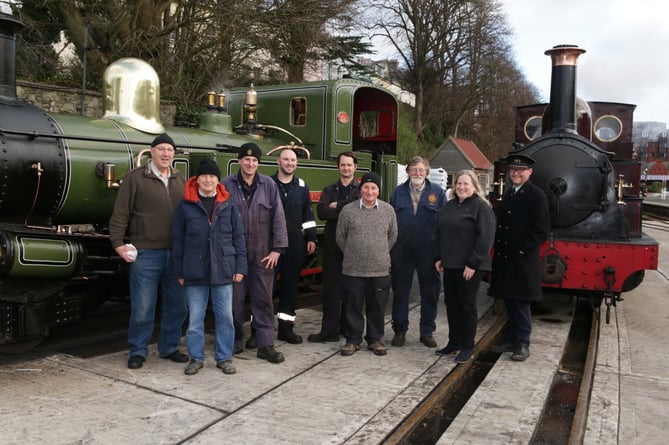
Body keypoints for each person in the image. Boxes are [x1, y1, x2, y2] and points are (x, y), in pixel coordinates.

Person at [109, 133, 189, 369]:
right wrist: (118, 244)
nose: (166, 154)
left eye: (170, 150)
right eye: (162, 149)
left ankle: (169, 347)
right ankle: (138, 350)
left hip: (175, 254)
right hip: (146, 253)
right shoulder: (135, 178)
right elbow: (120, 214)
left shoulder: (179, 179)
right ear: (151, 152)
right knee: (143, 308)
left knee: (177, 305)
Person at [172, 159, 247, 375]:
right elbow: (178, 240)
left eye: (212, 176)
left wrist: (240, 267)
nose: (208, 179)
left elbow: (238, 237)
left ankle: (224, 358)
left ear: (217, 180)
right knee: (195, 319)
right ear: (197, 179)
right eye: (204, 176)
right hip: (194, 271)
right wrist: (179, 270)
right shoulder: (186, 206)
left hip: (223, 270)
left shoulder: (228, 205)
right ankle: (196, 358)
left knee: (225, 317)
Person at [221, 143, 289, 364]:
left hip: (262, 255)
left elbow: (278, 218)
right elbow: (219, 221)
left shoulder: (268, 185)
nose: (250, 164)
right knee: (234, 301)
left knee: (263, 300)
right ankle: (234, 341)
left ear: (258, 163)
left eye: (254, 161)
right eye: (246, 160)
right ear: (239, 161)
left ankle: (265, 344)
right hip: (235, 256)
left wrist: (277, 249)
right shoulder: (226, 185)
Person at [488, 154, 551, 362]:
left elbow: (541, 230)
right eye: (513, 170)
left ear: (529, 172)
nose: (516, 173)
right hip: (506, 258)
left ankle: (523, 343)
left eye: (520, 170)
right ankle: (511, 340)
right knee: (510, 300)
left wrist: (524, 250)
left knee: (521, 302)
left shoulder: (536, 195)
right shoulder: (510, 193)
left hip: (522, 258)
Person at [434, 170, 495, 363]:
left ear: (475, 186)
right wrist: (439, 257)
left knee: (466, 305)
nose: (461, 187)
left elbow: (485, 238)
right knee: (451, 304)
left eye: (466, 184)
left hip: (471, 266)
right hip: (450, 264)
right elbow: (440, 233)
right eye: (459, 183)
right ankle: (454, 342)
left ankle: (467, 346)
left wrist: (473, 263)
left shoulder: (481, 207)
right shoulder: (449, 206)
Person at [336, 172, 398, 356]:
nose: (369, 191)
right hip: (353, 269)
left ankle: (375, 339)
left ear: (379, 190)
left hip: (379, 269)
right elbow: (340, 237)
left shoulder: (388, 210)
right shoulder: (348, 210)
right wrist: (354, 253)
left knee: (377, 307)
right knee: (352, 306)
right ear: (360, 189)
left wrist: (378, 252)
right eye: (366, 187)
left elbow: (393, 236)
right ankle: (353, 340)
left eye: (373, 188)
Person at [389, 156, 445, 348]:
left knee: (430, 293)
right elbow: (390, 223)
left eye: (421, 170)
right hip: (401, 250)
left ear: (427, 172)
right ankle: (399, 330)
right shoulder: (397, 193)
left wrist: (441, 254)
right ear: (408, 172)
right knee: (400, 292)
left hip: (429, 251)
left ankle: (427, 332)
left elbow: (443, 225)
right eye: (414, 170)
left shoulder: (438, 193)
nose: (417, 173)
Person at [307, 151, 361, 343]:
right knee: (331, 290)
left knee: (352, 290)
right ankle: (329, 330)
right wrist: (345, 208)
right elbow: (321, 211)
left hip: (353, 246)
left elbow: (357, 211)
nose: (346, 168)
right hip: (332, 245)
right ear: (338, 167)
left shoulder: (361, 190)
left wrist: (336, 206)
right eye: (342, 165)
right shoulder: (329, 189)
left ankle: (349, 329)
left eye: (349, 165)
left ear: (355, 167)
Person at [271, 149, 317, 344]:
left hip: (295, 244)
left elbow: (308, 214)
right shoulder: (268, 184)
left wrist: (311, 238)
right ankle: (259, 332)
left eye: (293, 160)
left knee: (290, 288)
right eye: (286, 159)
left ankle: (286, 329)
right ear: (278, 162)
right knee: (266, 289)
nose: (290, 163)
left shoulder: (301, 186)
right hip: (271, 245)